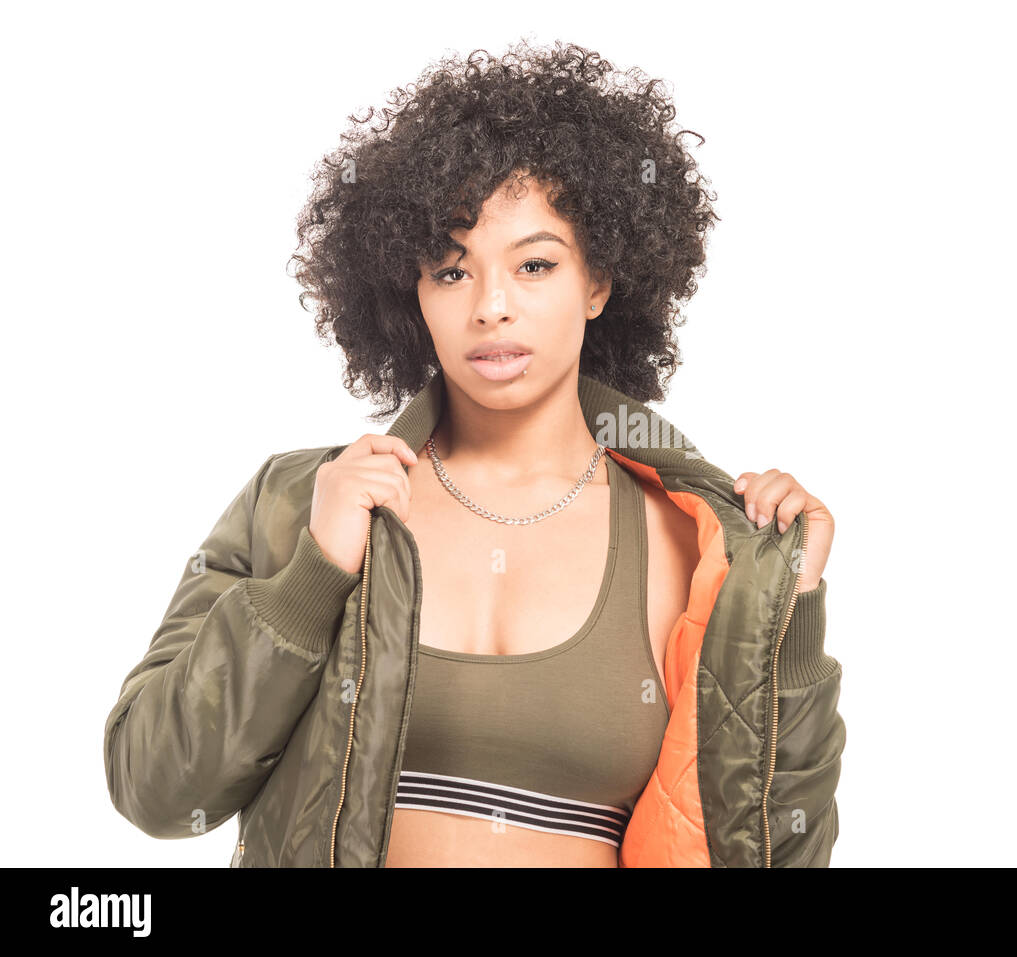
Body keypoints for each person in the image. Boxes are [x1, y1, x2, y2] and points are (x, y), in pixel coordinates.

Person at [103, 38, 845, 867]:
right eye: (452, 272)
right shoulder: (302, 501)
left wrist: (790, 607)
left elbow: (777, 850)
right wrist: (311, 576)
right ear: (407, 289)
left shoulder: (694, 539)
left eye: (534, 265)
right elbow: (156, 788)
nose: (492, 306)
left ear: (597, 284)